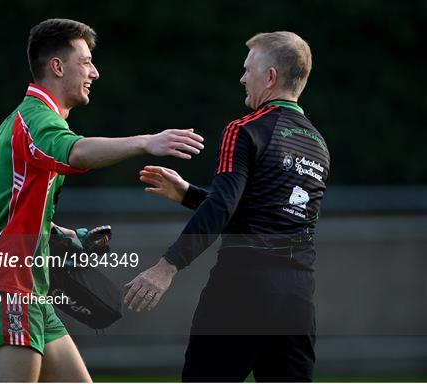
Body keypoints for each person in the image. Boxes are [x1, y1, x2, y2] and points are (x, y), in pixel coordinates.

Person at [0, 18, 204, 382]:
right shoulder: (35, 119)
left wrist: (55, 233)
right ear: (57, 66)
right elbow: (75, 152)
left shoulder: (22, 122)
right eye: (86, 61)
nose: (95, 72)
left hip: (32, 288)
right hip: (7, 284)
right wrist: (146, 142)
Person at [124, 31, 330, 382]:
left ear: (271, 77)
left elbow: (223, 205)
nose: (242, 77)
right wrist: (187, 193)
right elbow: (258, 214)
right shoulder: (318, 145)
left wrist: (166, 267)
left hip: (243, 289)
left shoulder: (244, 129)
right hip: (298, 297)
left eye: (248, 69)